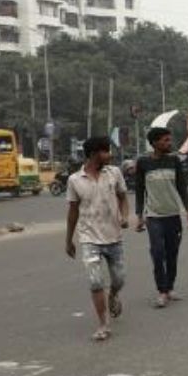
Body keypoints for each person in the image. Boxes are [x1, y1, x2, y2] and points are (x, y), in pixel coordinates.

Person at [65, 136, 129, 341]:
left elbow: (123, 197)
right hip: (89, 237)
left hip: (114, 236)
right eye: (106, 151)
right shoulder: (75, 180)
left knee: (119, 279)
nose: (110, 155)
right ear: (94, 154)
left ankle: (113, 295)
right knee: (95, 281)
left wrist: (125, 216)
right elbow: (73, 211)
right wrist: (69, 239)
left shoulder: (114, 173)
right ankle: (103, 324)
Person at [135, 127, 188, 309]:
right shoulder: (143, 162)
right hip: (153, 216)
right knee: (157, 252)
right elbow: (139, 190)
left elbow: (182, 187)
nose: (170, 143)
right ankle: (161, 291)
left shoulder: (174, 160)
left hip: (173, 216)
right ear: (154, 143)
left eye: (170, 140)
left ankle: (169, 288)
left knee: (172, 254)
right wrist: (139, 216)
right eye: (166, 140)